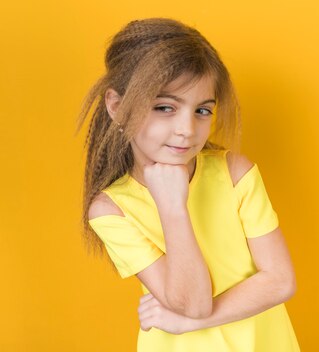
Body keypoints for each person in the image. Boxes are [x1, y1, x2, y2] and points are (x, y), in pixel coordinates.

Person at [75, 17, 300, 352]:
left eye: (202, 111)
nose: (187, 129)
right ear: (117, 107)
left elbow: (280, 281)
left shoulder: (235, 172)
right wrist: (171, 206)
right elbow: (193, 302)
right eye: (165, 107)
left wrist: (189, 323)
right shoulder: (112, 209)